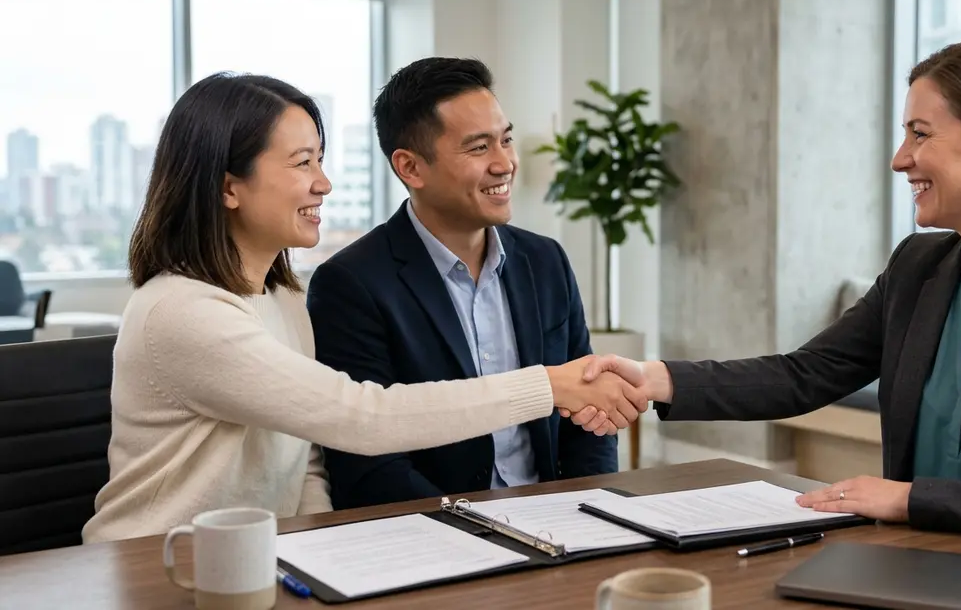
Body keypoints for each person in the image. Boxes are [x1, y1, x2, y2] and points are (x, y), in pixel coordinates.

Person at [576, 36, 961, 558]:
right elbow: (804, 374)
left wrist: (906, 499)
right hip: (932, 567)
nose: (900, 158)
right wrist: (655, 379)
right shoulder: (918, 269)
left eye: (920, 134)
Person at [82, 72, 644, 544]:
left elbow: (306, 460)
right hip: (154, 568)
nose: (324, 183)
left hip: (260, 561)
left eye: (320, 160)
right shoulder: (182, 312)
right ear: (230, 187)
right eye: (302, 163)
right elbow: (362, 418)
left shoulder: (283, 300)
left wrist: (322, 544)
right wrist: (547, 386)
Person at [306, 57, 617, 509]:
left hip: (556, 523)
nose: (504, 163)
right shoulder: (350, 284)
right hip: (437, 536)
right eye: (478, 148)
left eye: (505, 140)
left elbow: (588, 415)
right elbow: (370, 466)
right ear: (411, 168)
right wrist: (482, 530)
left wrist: (592, 509)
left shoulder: (545, 260)